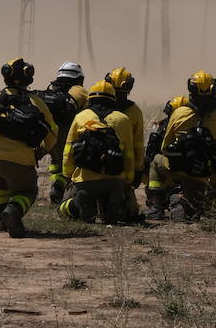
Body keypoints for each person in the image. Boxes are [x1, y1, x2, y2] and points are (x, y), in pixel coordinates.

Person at [0, 57, 57, 238]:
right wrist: (42, 151)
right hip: (20, 159)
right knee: (28, 190)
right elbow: (52, 133)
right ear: (29, 78)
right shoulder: (37, 102)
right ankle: (14, 210)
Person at [160, 71, 216, 220]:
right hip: (204, 174)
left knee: (156, 161)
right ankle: (196, 203)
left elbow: (165, 147)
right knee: (198, 209)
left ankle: (158, 204)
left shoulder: (179, 113)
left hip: (177, 169)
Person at [59, 79, 134, 225]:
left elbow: (68, 151)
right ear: (113, 99)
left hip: (85, 181)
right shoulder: (123, 119)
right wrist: (127, 180)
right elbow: (129, 154)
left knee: (62, 208)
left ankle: (77, 204)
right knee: (124, 210)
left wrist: (68, 175)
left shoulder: (80, 117)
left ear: (90, 98)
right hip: (114, 180)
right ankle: (112, 204)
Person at [37, 61, 87, 204]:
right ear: (79, 78)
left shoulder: (51, 89)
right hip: (68, 134)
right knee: (71, 163)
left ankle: (57, 186)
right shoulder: (79, 90)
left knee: (55, 161)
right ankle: (65, 191)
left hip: (48, 135)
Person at [105, 66, 144, 221]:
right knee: (129, 214)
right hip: (122, 174)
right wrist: (138, 170)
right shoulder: (134, 112)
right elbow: (138, 146)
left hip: (91, 168)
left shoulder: (94, 108)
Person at [144, 94, 188, 218]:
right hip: (194, 173)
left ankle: (156, 207)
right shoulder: (198, 125)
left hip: (170, 169)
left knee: (153, 162)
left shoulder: (168, 126)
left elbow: (158, 149)